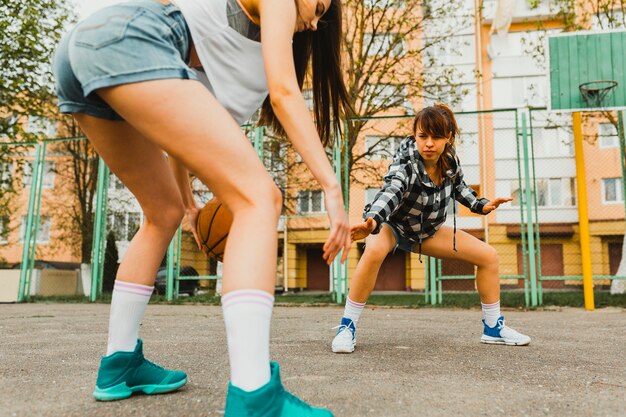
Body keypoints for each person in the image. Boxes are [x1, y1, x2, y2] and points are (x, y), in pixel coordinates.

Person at [52, 0, 351, 415]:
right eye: (319, 5)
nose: (316, 21)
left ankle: (118, 364)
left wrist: (188, 203)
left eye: (323, 17)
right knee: (260, 199)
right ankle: (255, 397)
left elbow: (183, 128)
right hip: (129, 35)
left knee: (162, 214)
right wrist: (331, 189)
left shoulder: (245, 65)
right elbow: (285, 93)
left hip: (82, 52)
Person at [331, 104, 531, 354]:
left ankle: (492, 328)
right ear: (415, 135)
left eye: (436, 137)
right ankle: (347, 327)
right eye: (422, 136)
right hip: (393, 225)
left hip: (427, 232)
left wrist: (481, 205)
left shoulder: (449, 160)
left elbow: (460, 188)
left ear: (448, 137)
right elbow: (392, 190)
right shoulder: (406, 161)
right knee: (373, 252)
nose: (428, 143)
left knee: (489, 256)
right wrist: (372, 220)